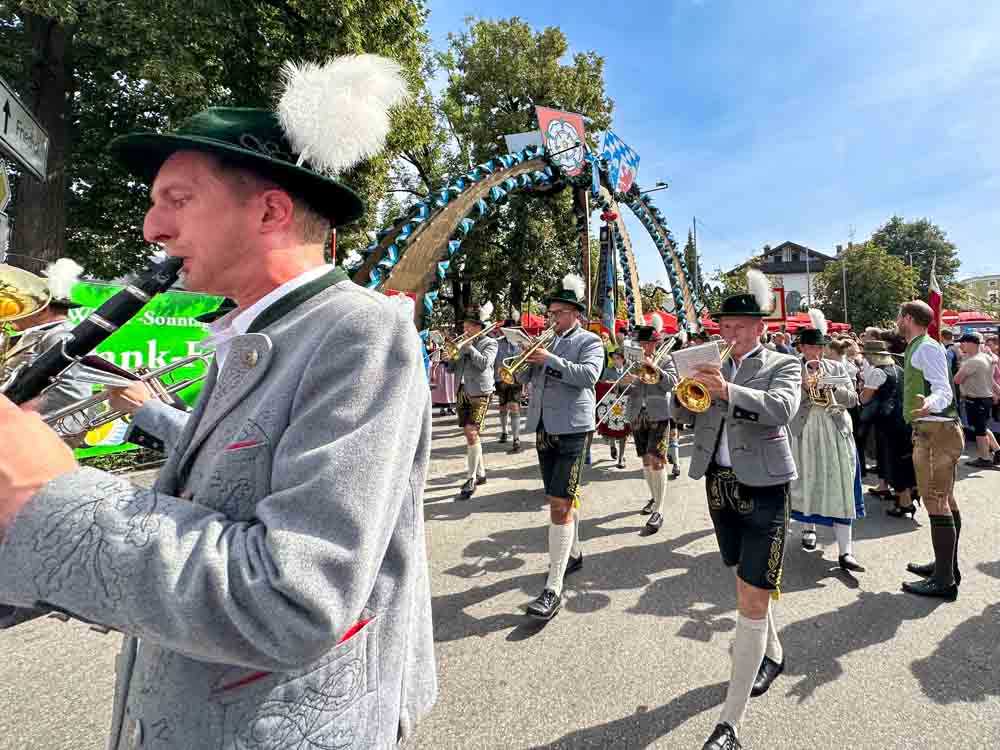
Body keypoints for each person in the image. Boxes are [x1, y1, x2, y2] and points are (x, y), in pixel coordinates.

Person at [0, 56, 437, 748]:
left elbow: (295, 599)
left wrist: (45, 498)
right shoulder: (249, 334)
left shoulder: (358, 331)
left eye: (177, 200)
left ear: (269, 210)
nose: (151, 228)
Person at [672, 270, 801, 750]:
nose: (729, 334)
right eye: (725, 326)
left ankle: (730, 723)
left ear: (760, 327)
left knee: (751, 597)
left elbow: (782, 408)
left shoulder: (781, 364)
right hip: (718, 483)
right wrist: (682, 389)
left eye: (739, 327)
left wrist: (726, 389)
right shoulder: (707, 359)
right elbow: (684, 413)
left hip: (766, 485)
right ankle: (774, 651)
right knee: (744, 581)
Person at [517, 274, 604, 620]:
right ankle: (575, 552)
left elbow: (588, 377)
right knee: (560, 498)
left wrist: (548, 358)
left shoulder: (590, 341)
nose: (551, 319)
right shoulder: (546, 342)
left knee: (558, 504)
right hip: (543, 426)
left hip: (571, 428)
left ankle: (553, 587)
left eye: (557, 313)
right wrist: (524, 363)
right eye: (550, 313)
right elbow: (525, 379)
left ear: (574, 314)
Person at [896, 301, 962, 601]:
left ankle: (945, 580)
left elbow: (944, 390)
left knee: (937, 502)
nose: (897, 321)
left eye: (899, 317)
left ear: (907, 318)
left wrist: (929, 404)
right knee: (944, 499)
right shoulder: (919, 345)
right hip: (935, 430)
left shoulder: (926, 347)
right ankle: (947, 567)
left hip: (935, 431)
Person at [789, 311, 865, 573]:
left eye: (819, 346)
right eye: (810, 346)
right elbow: (785, 405)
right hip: (805, 429)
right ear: (801, 347)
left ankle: (846, 552)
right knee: (808, 479)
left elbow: (854, 399)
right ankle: (809, 529)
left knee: (841, 482)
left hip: (834, 428)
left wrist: (831, 389)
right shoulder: (791, 368)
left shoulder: (836, 367)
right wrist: (802, 387)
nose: (815, 351)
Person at [2, 259, 92, 445]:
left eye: (27, 305)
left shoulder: (62, 335)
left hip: (48, 430)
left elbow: (70, 392)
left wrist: (12, 409)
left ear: (43, 309)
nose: (18, 312)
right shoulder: (41, 335)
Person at [624, 314, 679, 533]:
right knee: (646, 460)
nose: (645, 346)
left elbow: (672, 384)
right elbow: (626, 389)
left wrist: (654, 369)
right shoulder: (632, 362)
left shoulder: (665, 359)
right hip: (638, 412)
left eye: (648, 343)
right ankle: (654, 498)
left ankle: (659, 509)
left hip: (659, 413)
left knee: (657, 461)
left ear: (655, 343)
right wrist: (627, 382)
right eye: (642, 343)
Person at [858, 340, 917, 516]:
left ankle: (904, 502)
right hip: (903, 419)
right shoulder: (898, 369)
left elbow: (864, 399)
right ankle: (910, 493)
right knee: (904, 459)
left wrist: (861, 390)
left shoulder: (877, 372)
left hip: (888, 422)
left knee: (895, 461)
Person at [449, 302, 498, 499]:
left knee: (471, 433)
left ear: (479, 327)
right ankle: (481, 473)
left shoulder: (490, 343)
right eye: (465, 325)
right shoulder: (462, 342)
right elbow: (453, 369)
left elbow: (484, 364)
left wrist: (469, 348)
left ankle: (470, 479)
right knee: (471, 435)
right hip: (462, 390)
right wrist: (449, 358)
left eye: (470, 325)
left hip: (480, 392)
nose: (465, 329)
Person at [953, 332, 1000, 467]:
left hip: (976, 399)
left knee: (980, 432)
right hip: (985, 398)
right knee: (983, 427)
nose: (960, 345)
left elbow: (957, 379)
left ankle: (984, 458)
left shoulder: (973, 361)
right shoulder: (986, 357)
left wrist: (962, 364)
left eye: (963, 342)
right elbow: (990, 380)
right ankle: (997, 450)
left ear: (971, 344)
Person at [494, 313, 525, 453]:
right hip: (500, 379)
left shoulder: (521, 343)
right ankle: (504, 431)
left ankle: (516, 438)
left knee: (514, 407)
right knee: (502, 407)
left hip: (516, 380)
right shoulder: (497, 342)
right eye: (508, 330)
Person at [598, 348, 631, 468]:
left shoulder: (629, 370)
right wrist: (611, 383)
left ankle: (621, 458)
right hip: (611, 404)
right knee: (611, 430)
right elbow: (601, 383)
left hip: (626, 404)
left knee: (624, 433)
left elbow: (633, 385)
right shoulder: (608, 370)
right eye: (613, 358)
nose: (615, 360)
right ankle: (612, 445)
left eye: (618, 358)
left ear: (623, 359)